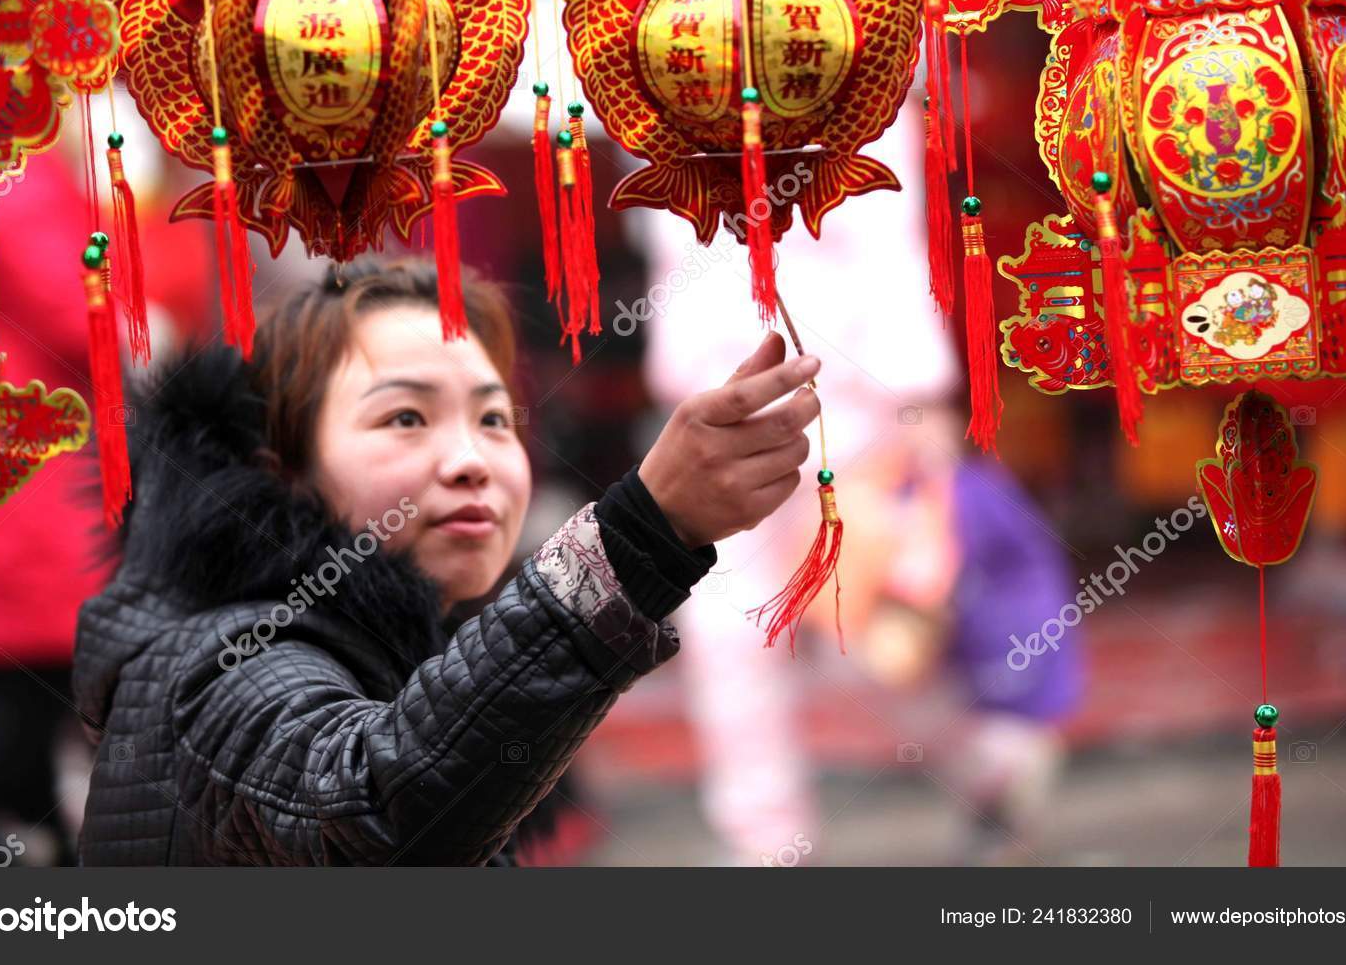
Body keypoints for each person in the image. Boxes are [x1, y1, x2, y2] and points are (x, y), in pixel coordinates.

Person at [73, 256, 821, 865]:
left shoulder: (407, 638)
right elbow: (372, 814)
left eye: (494, 418)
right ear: (283, 465)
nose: (471, 459)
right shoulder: (225, 655)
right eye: (406, 417)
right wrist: (641, 536)